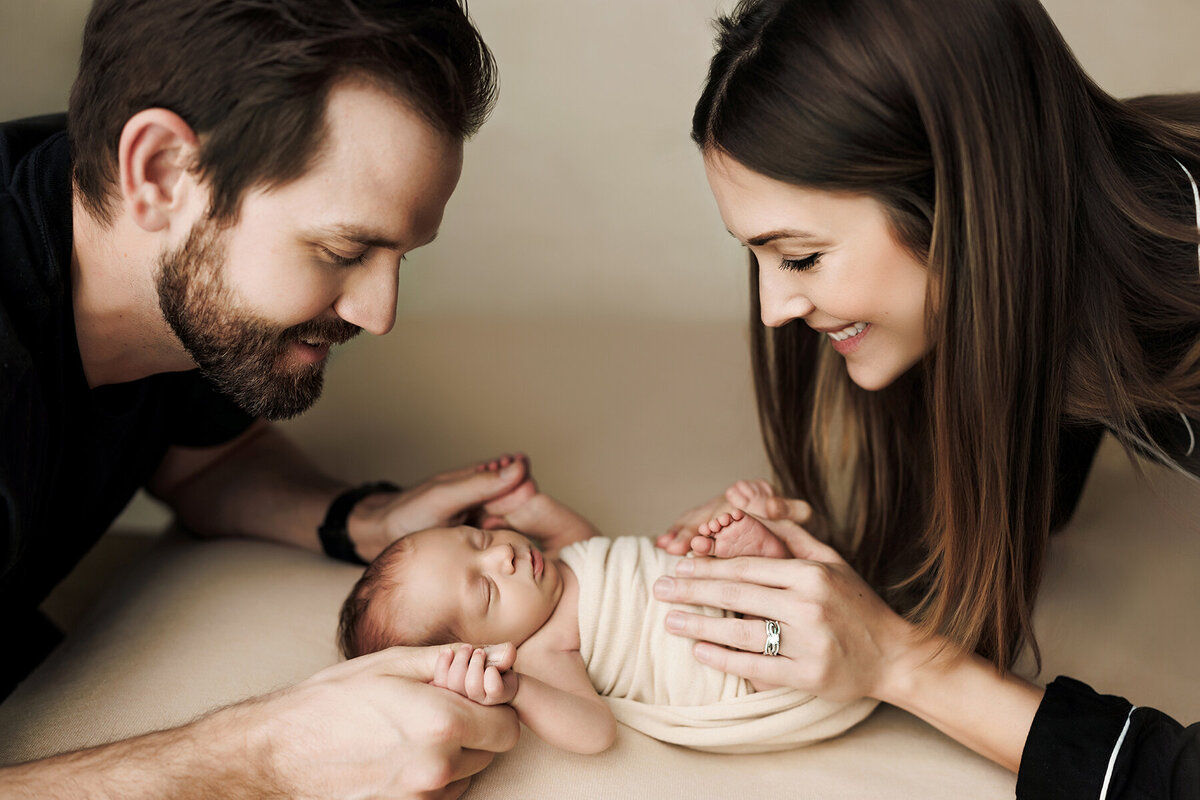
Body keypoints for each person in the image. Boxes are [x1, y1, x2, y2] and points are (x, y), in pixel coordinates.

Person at [649, 0, 1200, 797]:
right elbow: (1038, 483)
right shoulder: (1069, 268)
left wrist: (902, 665)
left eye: (801, 257)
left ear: (960, 202)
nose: (773, 310)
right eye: (759, 258)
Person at [0, 1, 535, 796]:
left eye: (398, 257)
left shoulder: (146, 263)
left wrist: (367, 523)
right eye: (343, 251)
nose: (377, 314)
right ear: (158, 172)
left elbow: (205, 463)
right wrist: (268, 757)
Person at [337, 478, 875, 754]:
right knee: (757, 646)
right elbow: (594, 732)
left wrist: (536, 509)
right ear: (482, 649)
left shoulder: (559, 566)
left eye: (477, 539)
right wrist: (517, 689)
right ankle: (764, 562)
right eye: (485, 589)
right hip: (729, 666)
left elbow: (588, 545)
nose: (501, 555)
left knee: (738, 571)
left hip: (717, 589)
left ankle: (761, 553)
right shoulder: (542, 652)